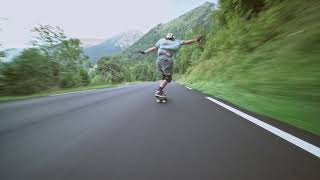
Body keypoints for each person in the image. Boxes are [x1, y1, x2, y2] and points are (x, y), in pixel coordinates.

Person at [138, 33, 202, 98]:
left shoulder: (161, 40)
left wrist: (145, 52)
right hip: (166, 59)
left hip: (158, 60)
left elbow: (154, 48)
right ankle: (159, 91)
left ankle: (161, 92)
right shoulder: (176, 41)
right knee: (168, 77)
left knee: (164, 76)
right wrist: (196, 40)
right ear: (173, 37)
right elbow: (186, 42)